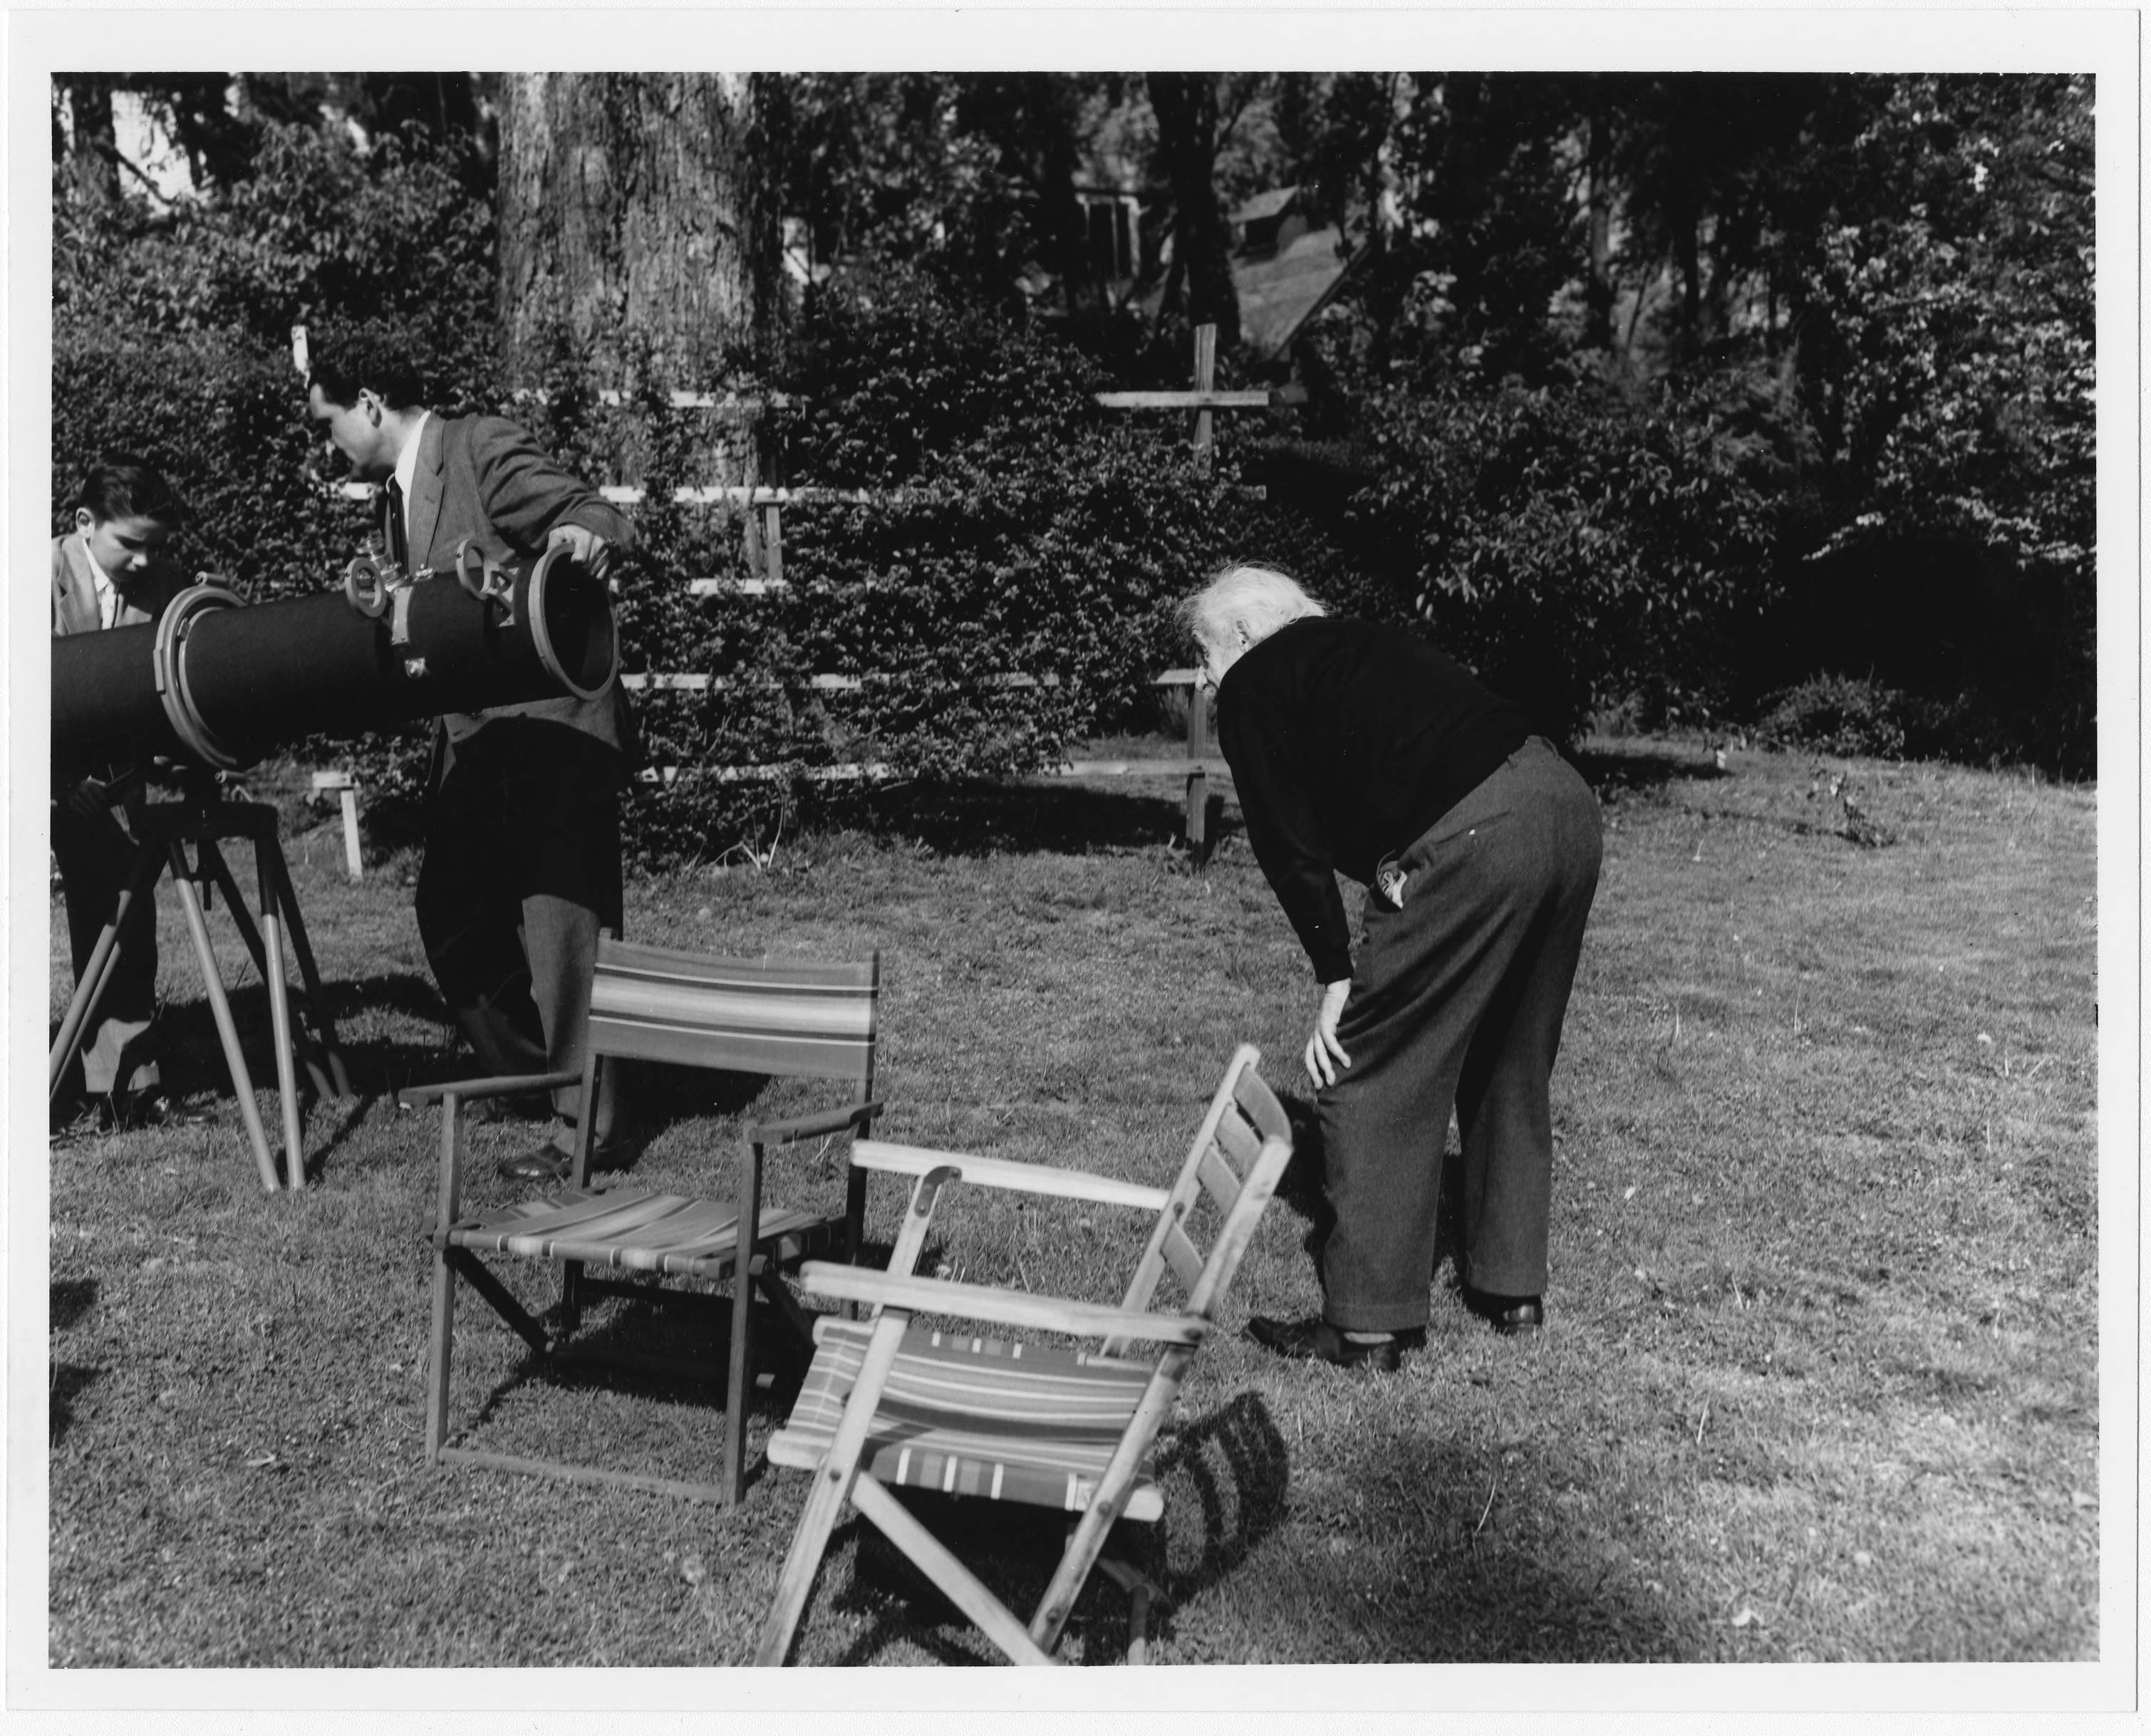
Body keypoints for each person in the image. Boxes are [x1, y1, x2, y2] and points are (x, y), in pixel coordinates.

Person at [1184, 563, 1602, 1370]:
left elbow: (1285, 842)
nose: (1205, 681)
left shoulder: (1255, 681)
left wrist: (1335, 977)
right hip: (1564, 805)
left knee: (1368, 1064)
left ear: (1242, 634)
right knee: (1510, 1055)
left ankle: (1367, 1324)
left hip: (1482, 831)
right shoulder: (1357, 645)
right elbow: (1402, 766)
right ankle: (1510, 1287)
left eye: (1205, 656)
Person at [304, 326, 638, 1182]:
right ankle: (527, 1074)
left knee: (561, 928)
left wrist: (580, 537)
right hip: (477, 740)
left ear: (369, 404)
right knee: (450, 908)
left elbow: (592, 511)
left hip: (551, 728)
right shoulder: (393, 497)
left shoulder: (478, 446)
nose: (326, 443)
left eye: (327, 422)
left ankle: (589, 1125)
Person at [51, 460, 196, 1129]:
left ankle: (125, 1084)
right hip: (37, 774)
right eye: (129, 544)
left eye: (154, 546)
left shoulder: (167, 584)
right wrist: (58, 785)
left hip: (114, 788)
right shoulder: (32, 575)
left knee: (124, 918)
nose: (143, 561)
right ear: (85, 524)